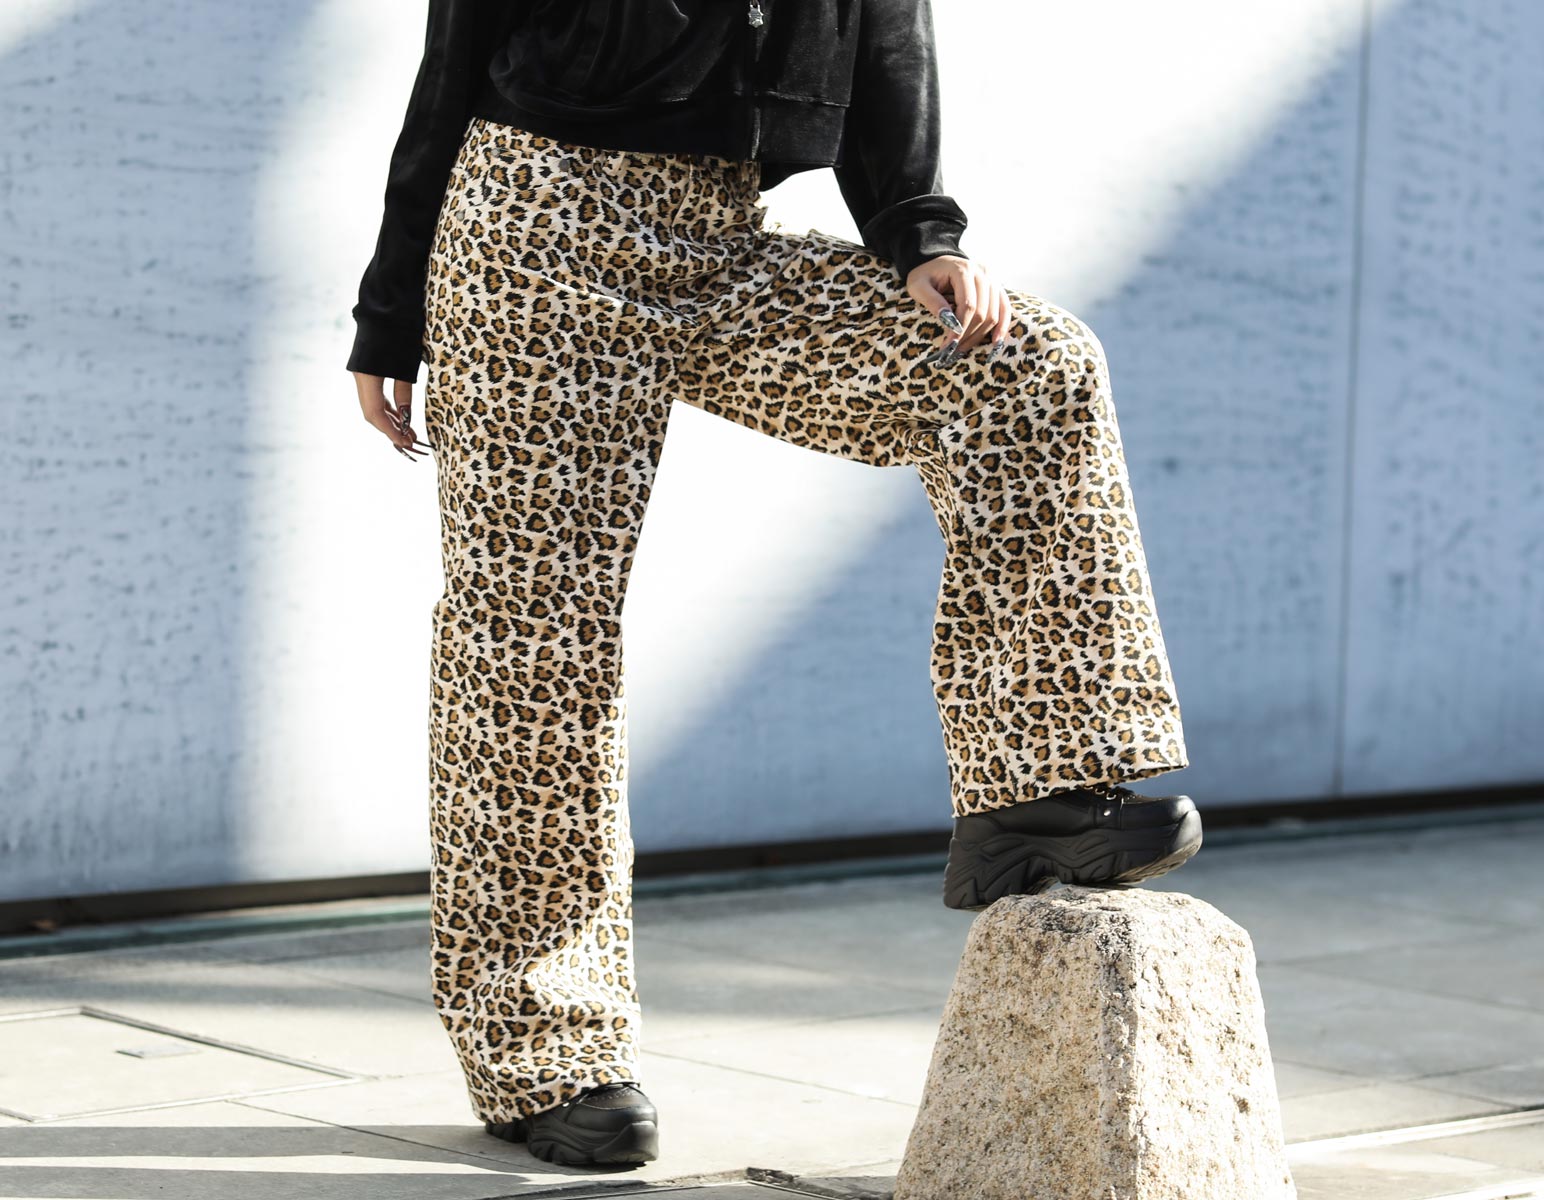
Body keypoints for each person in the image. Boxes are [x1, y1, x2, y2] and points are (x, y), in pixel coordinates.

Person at [344, 0, 1201, 1171]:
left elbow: (887, 36)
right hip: (534, 228)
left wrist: (917, 231)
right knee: (534, 636)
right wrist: (392, 309)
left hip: (725, 234)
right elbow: (454, 53)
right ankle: (543, 1047)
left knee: (1027, 368)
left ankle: (1037, 790)